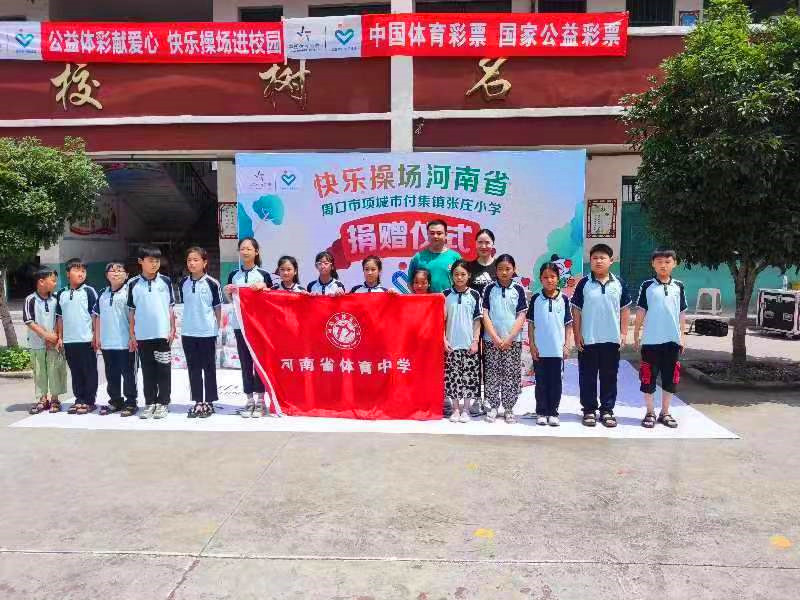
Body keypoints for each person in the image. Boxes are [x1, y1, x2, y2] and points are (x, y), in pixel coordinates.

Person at [571, 243, 631, 428]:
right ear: (590, 261)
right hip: (588, 339)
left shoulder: (619, 283)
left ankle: (607, 410)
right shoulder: (584, 283)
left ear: (611, 261)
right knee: (587, 377)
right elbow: (576, 310)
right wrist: (577, 334)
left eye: (602, 258)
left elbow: (625, 309)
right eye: (595, 258)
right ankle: (589, 410)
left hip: (611, 340)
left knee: (609, 376)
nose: (598, 261)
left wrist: (623, 333)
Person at [634, 249, 687, 429]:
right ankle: (650, 412)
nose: (663, 265)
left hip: (672, 341)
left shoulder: (679, 286)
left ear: (674, 264)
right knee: (648, 377)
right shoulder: (647, 286)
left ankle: (665, 412)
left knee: (670, 378)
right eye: (659, 262)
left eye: (667, 261)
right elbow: (641, 310)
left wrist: (682, 337)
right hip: (651, 341)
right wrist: (636, 333)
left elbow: (681, 313)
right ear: (653, 264)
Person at [224, 237, 273, 418]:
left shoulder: (263, 275)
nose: (245, 252)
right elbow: (231, 300)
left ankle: (261, 400)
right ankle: (249, 399)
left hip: (258, 326)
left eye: (249, 249)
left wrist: (264, 287)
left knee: (258, 363)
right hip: (240, 326)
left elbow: (271, 299)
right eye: (242, 249)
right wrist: (228, 292)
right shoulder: (233, 275)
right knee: (245, 363)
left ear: (256, 252)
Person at [128, 246, 176, 420]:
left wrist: (172, 328)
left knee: (164, 370)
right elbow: (131, 311)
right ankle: (150, 403)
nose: (154, 264)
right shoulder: (133, 283)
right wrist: (132, 334)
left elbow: (171, 307)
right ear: (140, 262)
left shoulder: (166, 281)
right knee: (147, 371)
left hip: (162, 335)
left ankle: (163, 403)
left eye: (157, 260)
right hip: (143, 335)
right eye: (150, 260)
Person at [482, 254, 528, 423]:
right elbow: (485, 313)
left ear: (514, 270)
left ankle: (509, 408)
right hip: (491, 340)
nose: (504, 272)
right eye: (500, 269)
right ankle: (493, 406)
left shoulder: (518, 289)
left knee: (511, 374)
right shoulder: (489, 288)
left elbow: (521, 315)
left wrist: (509, 338)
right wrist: (494, 337)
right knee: (492, 374)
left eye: (507, 269)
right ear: (495, 270)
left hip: (512, 341)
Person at [527, 262, 573, 427]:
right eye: (545, 277)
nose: (549, 280)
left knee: (555, 383)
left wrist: (567, 345)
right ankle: (541, 412)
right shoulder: (536, 299)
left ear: (558, 278)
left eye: (552, 277)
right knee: (541, 383)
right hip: (540, 350)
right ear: (540, 279)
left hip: (557, 350)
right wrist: (532, 345)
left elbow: (568, 324)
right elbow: (531, 324)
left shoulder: (564, 299)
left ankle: (553, 412)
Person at [180, 247, 222, 419]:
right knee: (193, 369)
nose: (192, 263)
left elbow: (217, 308)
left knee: (209, 368)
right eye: (189, 260)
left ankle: (209, 401)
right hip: (188, 332)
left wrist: (217, 328)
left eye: (196, 260)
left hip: (207, 333)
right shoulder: (183, 283)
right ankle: (198, 401)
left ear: (204, 263)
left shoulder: (212, 283)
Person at [93, 262, 138, 417]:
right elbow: (97, 316)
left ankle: (131, 402)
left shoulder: (129, 292)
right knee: (111, 374)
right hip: (107, 343)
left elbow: (134, 317)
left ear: (127, 275)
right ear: (107, 275)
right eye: (112, 270)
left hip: (125, 343)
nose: (116, 273)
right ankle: (115, 401)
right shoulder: (102, 293)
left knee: (128, 374)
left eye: (120, 270)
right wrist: (97, 337)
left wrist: (133, 337)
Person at [55, 258, 99, 415]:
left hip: (86, 339)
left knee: (89, 371)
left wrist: (95, 336)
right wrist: (60, 337)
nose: (81, 274)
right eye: (76, 270)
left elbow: (95, 316)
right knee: (75, 371)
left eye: (83, 271)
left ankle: (89, 401)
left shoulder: (89, 291)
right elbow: (59, 317)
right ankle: (79, 399)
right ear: (68, 273)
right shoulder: (61, 293)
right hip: (69, 340)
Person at [443, 260, 482, 423]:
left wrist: (475, 341)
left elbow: (477, 321)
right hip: (451, 345)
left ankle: (466, 409)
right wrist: (443, 339)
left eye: (463, 274)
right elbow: (441, 321)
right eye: (456, 274)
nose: (459, 277)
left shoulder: (474, 295)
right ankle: (455, 409)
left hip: (468, 345)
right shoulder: (445, 295)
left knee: (469, 378)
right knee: (452, 378)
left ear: (469, 275)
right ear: (452, 276)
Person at [24, 268, 67, 414]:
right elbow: (29, 321)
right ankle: (43, 399)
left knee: (55, 370)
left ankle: (55, 399)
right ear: (41, 282)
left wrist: (55, 336)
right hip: (37, 344)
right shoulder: (30, 299)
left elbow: (59, 318)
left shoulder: (56, 298)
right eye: (53, 280)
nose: (55, 283)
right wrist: (46, 336)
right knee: (39, 372)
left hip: (54, 343)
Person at [408, 219, 462, 293]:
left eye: (439, 233)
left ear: (446, 235)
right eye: (432, 233)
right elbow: (410, 283)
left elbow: (462, 282)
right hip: (426, 300)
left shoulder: (455, 257)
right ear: (427, 235)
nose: (435, 236)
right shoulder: (418, 258)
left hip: (449, 299)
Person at [466, 228, 497, 295]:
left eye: (487, 242)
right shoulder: (468, 267)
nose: (483, 246)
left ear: (493, 244)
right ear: (476, 243)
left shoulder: (499, 266)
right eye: (480, 242)